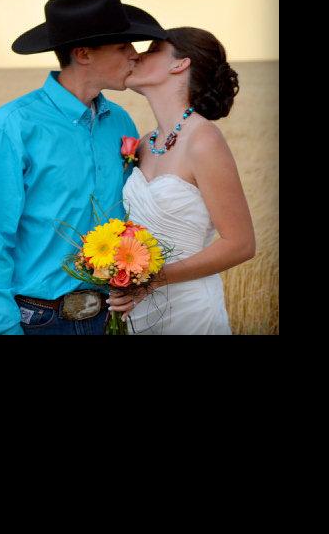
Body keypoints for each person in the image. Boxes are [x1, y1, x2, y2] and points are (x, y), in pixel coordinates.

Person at [0, 0, 167, 335]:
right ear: (83, 54)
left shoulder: (120, 121)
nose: (135, 54)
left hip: (112, 317)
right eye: (122, 46)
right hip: (40, 321)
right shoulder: (11, 127)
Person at [107, 27, 257, 334]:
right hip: (137, 311)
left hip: (190, 312)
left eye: (151, 49)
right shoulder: (146, 142)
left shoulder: (204, 140)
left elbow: (241, 244)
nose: (136, 55)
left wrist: (153, 280)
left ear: (179, 64)